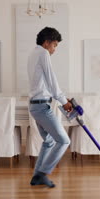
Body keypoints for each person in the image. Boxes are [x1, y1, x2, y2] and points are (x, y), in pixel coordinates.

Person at [28, 27, 73, 188]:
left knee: (49, 141)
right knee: (64, 140)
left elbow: (44, 83)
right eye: (54, 45)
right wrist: (63, 102)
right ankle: (42, 173)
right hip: (41, 107)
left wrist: (62, 97)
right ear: (46, 43)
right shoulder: (43, 53)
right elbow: (52, 80)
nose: (54, 50)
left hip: (35, 105)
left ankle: (36, 177)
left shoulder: (34, 53)